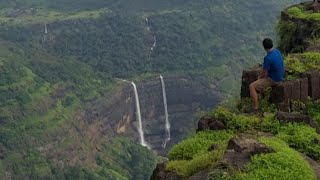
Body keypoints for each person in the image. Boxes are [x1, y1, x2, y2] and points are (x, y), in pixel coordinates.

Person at [249, 38, 284, 112]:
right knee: (261, 82)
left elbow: (264, 73)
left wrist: (259, 78)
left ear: (264, 47)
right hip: (281, 75)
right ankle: (260, 97)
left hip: (274, 79)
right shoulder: (277, 51)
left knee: (252, 86)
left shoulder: (267, 58)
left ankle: (255, 107)